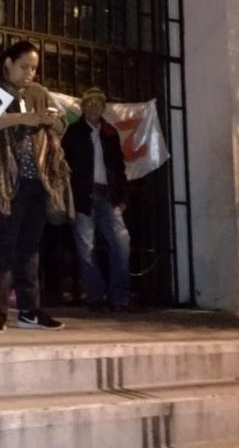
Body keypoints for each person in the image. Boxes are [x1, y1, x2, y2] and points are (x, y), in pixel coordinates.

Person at [0, 41, 70, 334]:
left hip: (35, 178)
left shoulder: (39, 92)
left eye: (34, 68)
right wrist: (26, 118)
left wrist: (52, 121)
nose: (29, 73)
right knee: (1, 241)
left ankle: (29, 310)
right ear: (8, 63)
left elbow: (62, 126)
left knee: (29, 246)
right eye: (24, 67)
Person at [62, 87, 131, 312]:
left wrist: (122, 196)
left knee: (121, 243)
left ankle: (119, 296)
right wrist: (69, 196)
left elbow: (119, 167)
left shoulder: (110, 133)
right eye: (89, 103)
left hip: (108, 195)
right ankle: (96, 295)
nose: (93, 107)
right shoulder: (73, 132)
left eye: (98, 104)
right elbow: (64, 166)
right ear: (82, 108)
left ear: (103, 108)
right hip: (83, 195)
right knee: (86, 248)